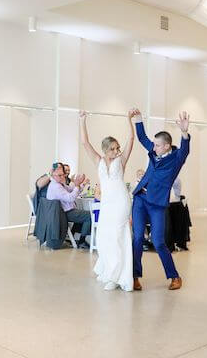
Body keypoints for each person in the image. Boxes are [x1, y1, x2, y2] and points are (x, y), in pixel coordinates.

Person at [130, 108, 190, 291]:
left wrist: (184, 132)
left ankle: (174, 276)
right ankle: (134, 276)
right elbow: (142, 139)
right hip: (140, 199)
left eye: (157, 145)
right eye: (154, 145)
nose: (153, 147)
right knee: (138, 237)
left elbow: (185, 150)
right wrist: (139, 119)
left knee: (158, 242)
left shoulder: (176, 158)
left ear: (166, 146)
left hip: (157, 205)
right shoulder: (154, 152)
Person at [79, 110, 135, 291]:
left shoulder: (122, 160)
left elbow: (131, 141)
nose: (117, 151)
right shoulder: (99, 161)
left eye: (117, 148)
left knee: (118, 236)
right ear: (104, 150)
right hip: (107, 203)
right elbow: (85, 143)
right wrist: (82, 120)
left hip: (121, 201)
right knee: (104, 236)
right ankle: (108, 270)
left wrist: (128, 120)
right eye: (112, 148)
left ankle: (118, 276)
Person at [46, 166, 92, 248]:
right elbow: (70, 198)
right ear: (53, 176)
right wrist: (77, 185)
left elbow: (71, 189)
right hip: (63, 213)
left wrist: (80, 184)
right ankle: (81, 241)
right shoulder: (56, 187)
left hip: (64, 211)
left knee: (82, 213)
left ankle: (73, 237)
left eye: (62, 175)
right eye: (59, 175)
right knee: (89, 215)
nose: (62, 176)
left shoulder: (59, 184)